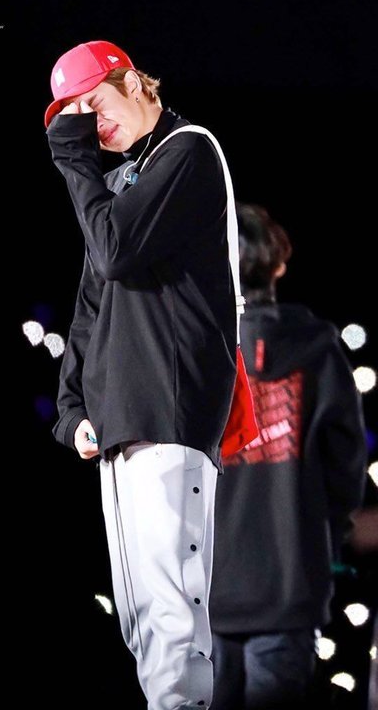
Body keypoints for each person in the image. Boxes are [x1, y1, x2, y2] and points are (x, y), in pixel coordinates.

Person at [44, 40, 242, 710]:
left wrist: (72, 159)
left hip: (170, 404)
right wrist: (72, 408)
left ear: (133, 83)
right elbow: (92, 300)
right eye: (72, 118)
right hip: (123, 415)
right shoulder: (125, 180)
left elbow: (116, 251)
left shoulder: (189, 150)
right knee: (141, 623)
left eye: (92, 105)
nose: (87, 127)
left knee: (170, 617)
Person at [208, 203, 368, 710]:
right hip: (290, 580)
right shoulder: (318, 350)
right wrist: (327, 533)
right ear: (278, 264)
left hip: (204, 586)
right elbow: (346, 467)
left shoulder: (194, 351)